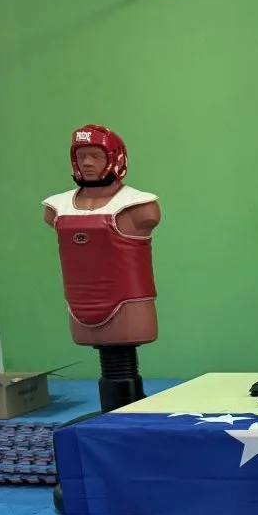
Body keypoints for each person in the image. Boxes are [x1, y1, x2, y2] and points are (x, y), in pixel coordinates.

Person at [41, 124, 161, 348]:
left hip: (129, 307)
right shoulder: (57, 207)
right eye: (81, 156)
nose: (87, 163)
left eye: (95, 156)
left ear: (116, 159)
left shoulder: (139, 206)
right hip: (78, 306)